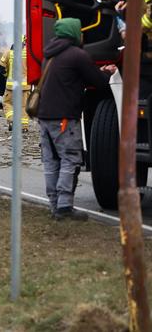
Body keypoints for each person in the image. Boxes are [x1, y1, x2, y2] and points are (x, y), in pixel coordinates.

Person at [37, 18, 117, 221]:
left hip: (45, 117)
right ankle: (64, 206)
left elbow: (70, 78)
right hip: (64, 117)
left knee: (51, 162)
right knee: (70, 159)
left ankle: (54, 205)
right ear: (74, 33)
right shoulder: (77, 55)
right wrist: (111, 75)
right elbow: (98, 82)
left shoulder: (50, 56)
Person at [0, 36, 30, 132]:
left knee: (7, 103)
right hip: (25, 86)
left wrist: (6, 75)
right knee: (24, 106)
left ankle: (12, 120)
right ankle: (24, 127)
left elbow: (2, 67)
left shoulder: (8, 53)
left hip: (11, 86)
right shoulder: (29, 53)